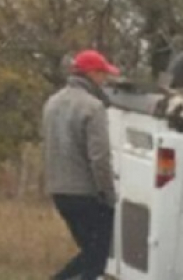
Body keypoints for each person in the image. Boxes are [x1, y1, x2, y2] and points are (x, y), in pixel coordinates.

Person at [42, 49, 119, 280]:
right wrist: (108, 195)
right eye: (103, 74)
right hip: (86, 193)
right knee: (98, 258)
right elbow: (99, 157)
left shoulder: (52, 102)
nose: (105, 79)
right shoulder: (93, 107)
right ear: (92, 73)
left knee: (89, 253)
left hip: (58, 190)